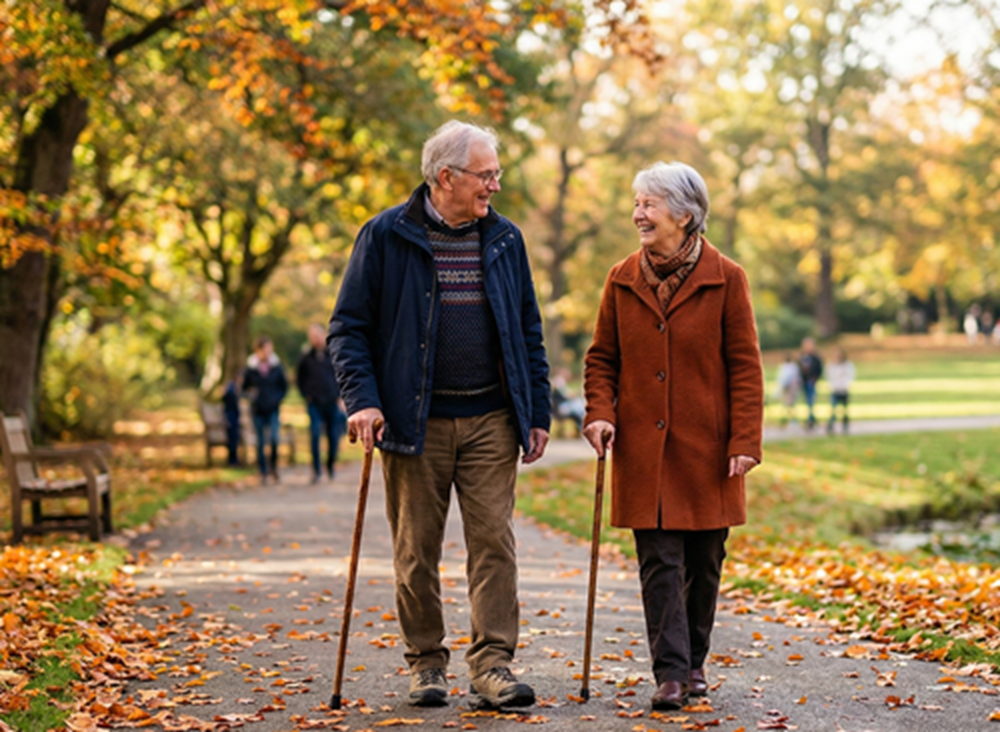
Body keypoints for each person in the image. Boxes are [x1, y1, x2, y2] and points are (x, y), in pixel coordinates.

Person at [328, 121, 551, 710]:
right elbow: (347, 329)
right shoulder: (384, 236)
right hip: (412, 420)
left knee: (494, 546)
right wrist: (364, 400)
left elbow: (529, 331)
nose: (494, 187)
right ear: (445, 176)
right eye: (486, 175)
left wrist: (537, 410)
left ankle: (493, 666)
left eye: (496, 174)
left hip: (491, 419)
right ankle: (426, 663)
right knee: (415, 549)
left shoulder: (505, 240)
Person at [582, 161, 764, 712]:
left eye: (649, 204)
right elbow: (601, 359)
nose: (638, 213)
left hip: (708, 448)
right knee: (658, 559)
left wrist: (744, 442)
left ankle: (694, 660)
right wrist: (599, 411)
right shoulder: (620, 278)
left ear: (685, 214)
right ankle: (671, 674)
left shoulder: (727, 277)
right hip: (643, 448)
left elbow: (745, 366)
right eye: (636, 203)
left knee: (705, 561)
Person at [297, 323, 346, 482]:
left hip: (332, 401)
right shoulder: (306, 357)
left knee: (333, 435)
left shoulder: (333, 353)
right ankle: (316, 470)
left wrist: (341, 396)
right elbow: (299, 379)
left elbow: (342, 375)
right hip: (314, 402)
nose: (315, 340)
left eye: (317, 336)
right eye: (311, 337)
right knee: (315, 434)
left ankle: (331, 465)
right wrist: (306, 395)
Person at [242, 336, 288, 482]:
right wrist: (252, 397)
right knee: (260, 442)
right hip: (257, 410)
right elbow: (244, 388)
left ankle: (273, 467)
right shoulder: (251, 368)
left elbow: (284, 386)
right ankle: (262, 471)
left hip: (273, 408)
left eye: (270, 348)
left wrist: (277, 398)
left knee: (274, 439)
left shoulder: (277, 366)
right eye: (265, 348)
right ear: (258, 350)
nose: (268, 351)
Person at [826, 347, 856, 434]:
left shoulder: (847, 365)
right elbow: (829, 377)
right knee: (833, 409)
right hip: (835, 390)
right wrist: (833, 386)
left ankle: (845, 427)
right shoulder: (831, 366)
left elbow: (850, 376)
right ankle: (831, 427)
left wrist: (845, 385)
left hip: (843, 390)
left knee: (844, 410)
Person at [798, 337, 823, 430]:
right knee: (806, 401)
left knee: (810, 401)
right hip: (804, 382)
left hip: (811, 382)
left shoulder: (815, 358)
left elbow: (819, 369)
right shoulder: (802, 357)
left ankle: (811, 419)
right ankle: (810, 418)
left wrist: (815, 378)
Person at [776, 354, 800, 428]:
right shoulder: (792, 367)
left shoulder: (789, 367)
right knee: (789, 405)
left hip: (790, 389)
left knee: (789, 405)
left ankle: (791, 420)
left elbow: (782, 379)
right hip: (789, 389)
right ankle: (788, 419)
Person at [222, 377, 242, 466]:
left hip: (234, 418)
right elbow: (228, 406)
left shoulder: (233, 389)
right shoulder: (230, 390)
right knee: (232, 439)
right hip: (231, 418)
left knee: (235, 438)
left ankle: (234, 459)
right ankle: (232, 460)